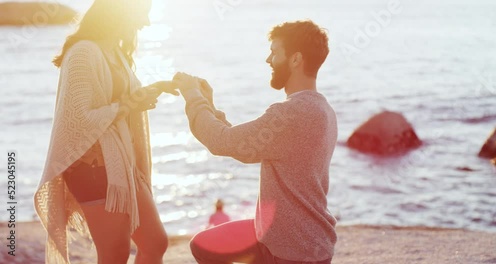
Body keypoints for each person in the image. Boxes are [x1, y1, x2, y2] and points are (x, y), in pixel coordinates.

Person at [174, 20, 337, 264]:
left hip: (292, 250)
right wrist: (209, 104)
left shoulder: (291, 114)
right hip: (288, 237)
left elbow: (220, 142)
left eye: (274, 52)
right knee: (204, 245)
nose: (268, 60)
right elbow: (236, 140)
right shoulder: (322, 108)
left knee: (203, 248)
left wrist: (192, 96)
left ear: (295, 59)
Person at [33, 0, 178, 263]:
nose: (145, 23)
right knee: (114, 254)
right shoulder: (83, 53)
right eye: (142, 15)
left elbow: (124, 101)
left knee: (155, 243)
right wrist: (133, 102)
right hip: (91, 167)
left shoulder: (115, 52)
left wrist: (154, 89)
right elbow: (79, 120)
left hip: (121, 163)